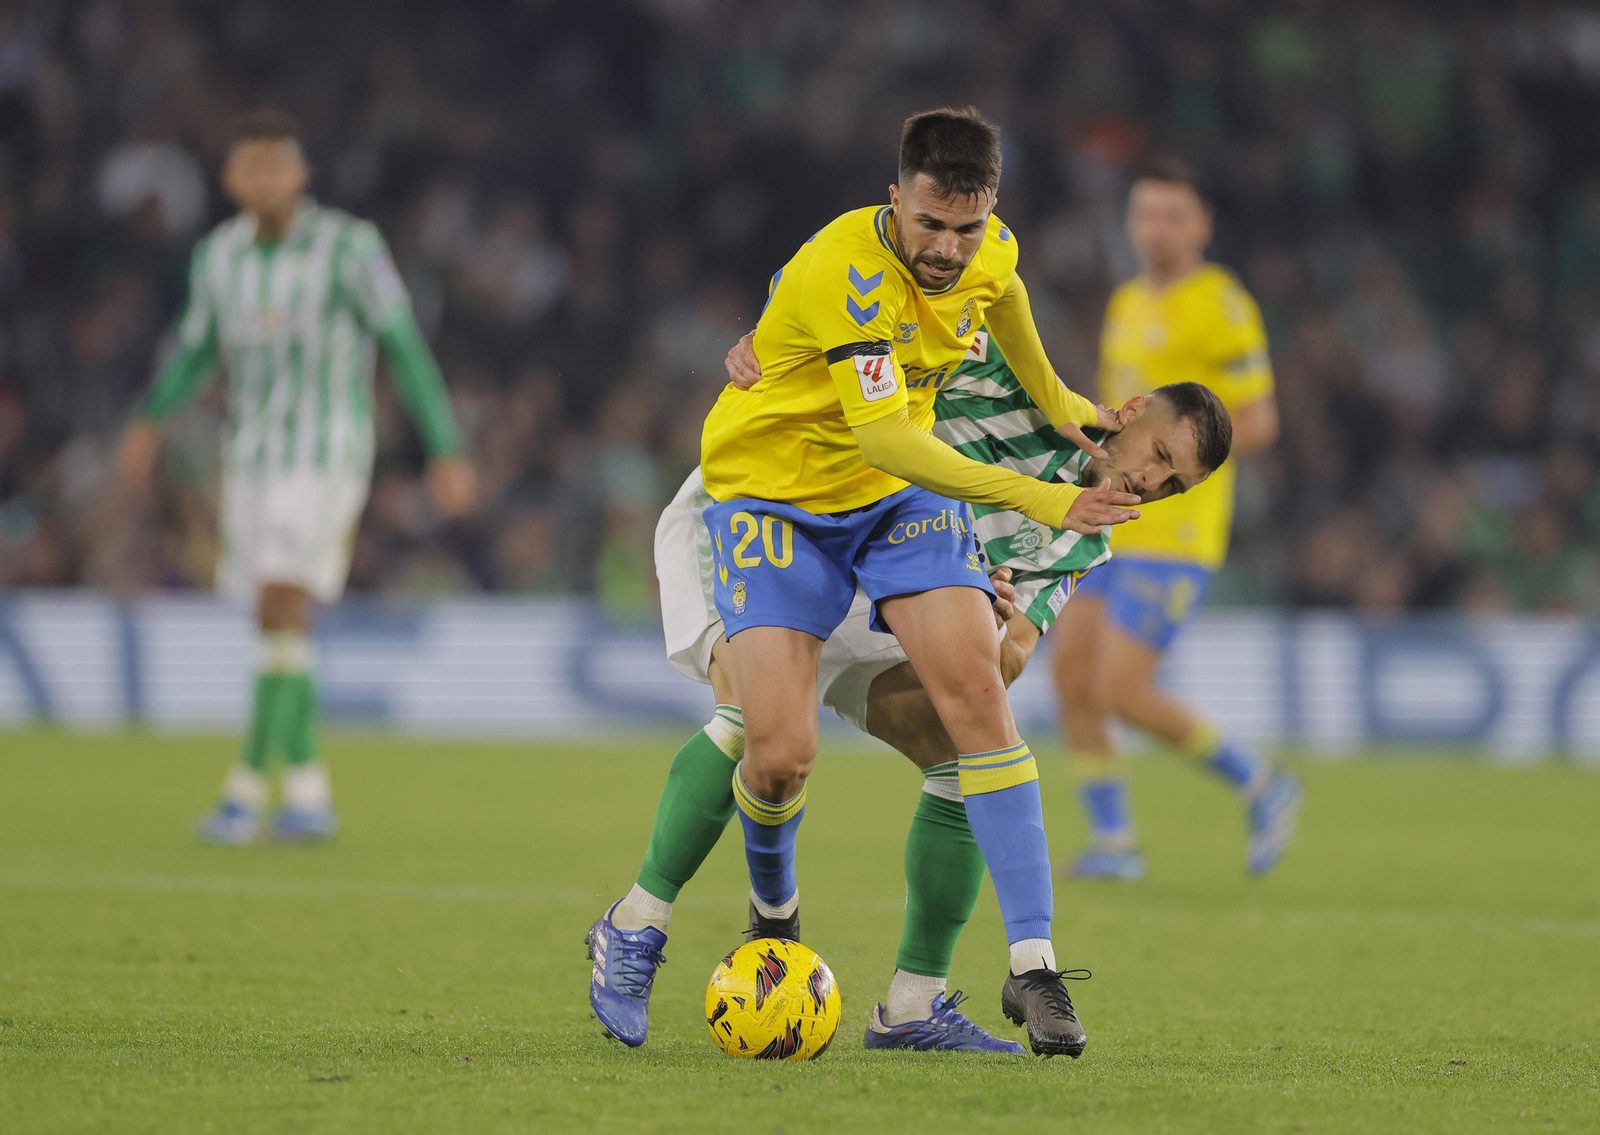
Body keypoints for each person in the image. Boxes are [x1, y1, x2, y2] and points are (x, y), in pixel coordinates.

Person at [589, 105, 1145, 1058]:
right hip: (776, 499)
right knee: (776, 751)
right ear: (896, 199)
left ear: (990, 212)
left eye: (966, 228)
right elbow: (888, 433)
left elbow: (1007, 302)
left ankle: (1026, 966)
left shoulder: (989, 251)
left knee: (977, 700)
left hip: (892, 504)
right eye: (930, 224)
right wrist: (1046, 501)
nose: (948, 247)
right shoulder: (852, 270)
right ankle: (689, 922)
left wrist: (1066, 408)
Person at [118, 109, 475, 844]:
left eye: (277, 165)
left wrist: (445, 445)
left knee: (282, 597)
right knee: (277, 621)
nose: (265, 179)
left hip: (326, 454)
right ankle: (309, 791)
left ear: (300, 172)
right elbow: (194, 352)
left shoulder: (350, 247)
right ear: (230, 177)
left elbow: (402, 343)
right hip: (249, 457)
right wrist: (149, 419)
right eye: (250, 167)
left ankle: (246, 788)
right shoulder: (218, 256)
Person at [1051, 156, 1300, 880]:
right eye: (1145, 213)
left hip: (1176, 534)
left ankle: (1260, 780)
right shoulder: (1128, 302)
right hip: (1109, 518)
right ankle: (1115, 842)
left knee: (1120, 687)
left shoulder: (1221, 304)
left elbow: (1256, 420)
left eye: (1171, 214)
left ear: (1202, 225)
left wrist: (1170, 465)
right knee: (1071, 675)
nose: (1155, 228)